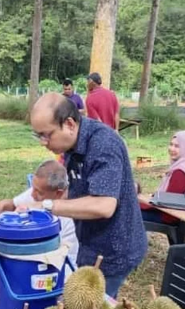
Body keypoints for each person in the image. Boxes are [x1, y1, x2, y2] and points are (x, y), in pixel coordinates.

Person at [22, 92, 147, 298]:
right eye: (38, 136)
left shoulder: (103, 144)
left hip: (115, 248)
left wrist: (48, 206)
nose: (42, 142)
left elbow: (103, 205)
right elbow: (77, 189)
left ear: (69, 124)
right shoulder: (72, 144)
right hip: (90, 243)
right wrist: (25, 204)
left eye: (46, 135)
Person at [0, 160, 79, 266]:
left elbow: (59, 258)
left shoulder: (70, 218)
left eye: (39, 192)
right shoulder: (37, 192)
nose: (32, 195)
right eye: (33, 188)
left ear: (58, 193)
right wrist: (1, 205)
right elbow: (13, 204)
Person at [140, 130, 185, 227]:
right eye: (171, 144)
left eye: (177, 146)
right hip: (179, 214)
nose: (171, 149)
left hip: (168, 216)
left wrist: (143, 205)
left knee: (127, 213)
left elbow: (168, 203)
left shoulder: (180, 172)